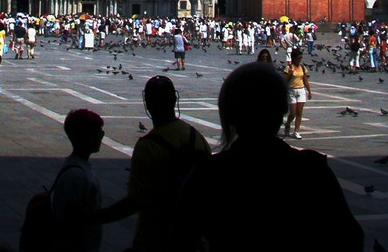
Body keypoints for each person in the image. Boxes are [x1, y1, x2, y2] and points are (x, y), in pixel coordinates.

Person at [175, 63, 363, 251]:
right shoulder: (311, 170)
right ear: (282, 110)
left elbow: (179, 238)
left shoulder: (209, 174)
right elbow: (350, 237)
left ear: (230, 114)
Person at [98, 75, 211, 251]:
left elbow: (135, 201)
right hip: (193, 238)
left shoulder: (148, 146)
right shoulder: (197, 138)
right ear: (174, 100)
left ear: (148, 104)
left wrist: (96, 217)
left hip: (155, 238)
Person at [50, 109, 105, 252]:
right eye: (98, 131)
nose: (102, 134)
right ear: (86, 136)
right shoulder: (76, 177)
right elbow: (71, 222)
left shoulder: (79, 168)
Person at [283, 47, 312, 139]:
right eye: (298, 58)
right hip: (291, 91)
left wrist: (309, 91)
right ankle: (288, 124)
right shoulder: (289, 68)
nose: (300, 60)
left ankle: (296, 131)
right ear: (294, 58)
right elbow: (284, 80)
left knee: (299, 113)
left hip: (301, 90)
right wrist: (290, 75)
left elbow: (305, 80)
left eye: (300, 58)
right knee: (293, 113)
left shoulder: (302, 68)